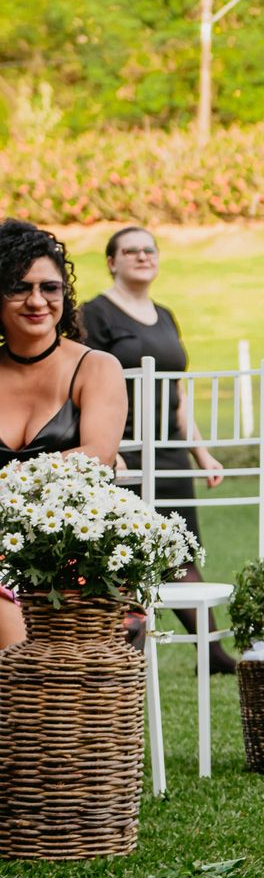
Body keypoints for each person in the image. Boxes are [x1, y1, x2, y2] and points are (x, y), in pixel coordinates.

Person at [80, 226, 235, 672]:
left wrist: (201, 454)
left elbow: (179, 395)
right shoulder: (96, 314)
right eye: (131, 251)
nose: (142, 256)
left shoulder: (165, 315)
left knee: (180, 550)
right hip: (125, 450)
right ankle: (126, 654)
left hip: (170, 454)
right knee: (128, 555)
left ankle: (212, 653)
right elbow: (88, 383)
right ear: (112, 261)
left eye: (149, 250)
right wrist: (108, 448)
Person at [0, 218, 128, 647]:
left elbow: (97, 456)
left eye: (49, 287)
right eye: (19, 287)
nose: (37, 300)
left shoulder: (95, 368)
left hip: (66, 545)